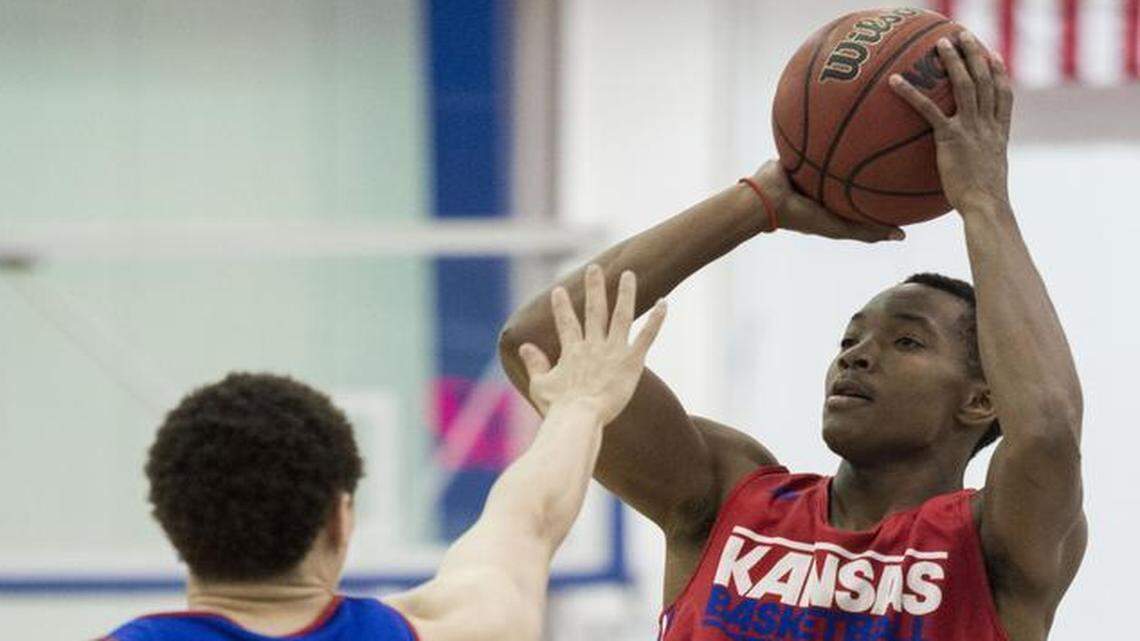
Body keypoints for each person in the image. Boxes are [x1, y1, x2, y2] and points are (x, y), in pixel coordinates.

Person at [500, 32, 1084, 641]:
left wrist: (984, 201)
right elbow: (541, 345)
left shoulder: (997, 541)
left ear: (981, 398)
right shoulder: (729, 495)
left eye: (906, 342)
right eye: (849, 340)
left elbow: (1046, 429)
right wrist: (759, 203)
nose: (857, 356)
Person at [103, 266, 666, 641]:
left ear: (174, 524)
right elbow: (528, 524)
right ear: (339, 518)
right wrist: (582, 405)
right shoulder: (448, 630)